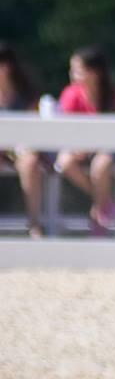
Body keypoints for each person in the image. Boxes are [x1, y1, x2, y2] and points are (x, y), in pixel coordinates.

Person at [54, 46, 115, 235]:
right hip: (79, 148)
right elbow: (67, 128)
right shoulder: (71, 95)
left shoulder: (113, 96)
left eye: (78, 70)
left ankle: (99, 211)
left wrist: (92, 145)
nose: (73, 75)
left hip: (108, 148)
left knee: (100, 166)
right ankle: (104, 202)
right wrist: (77, 146)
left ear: (95, 72)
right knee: (65, 161)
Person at [0, 43, 47, 237]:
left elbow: (33, 130)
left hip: (22, 149)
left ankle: (34, 223)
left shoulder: (27, 95)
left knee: (30, 163)